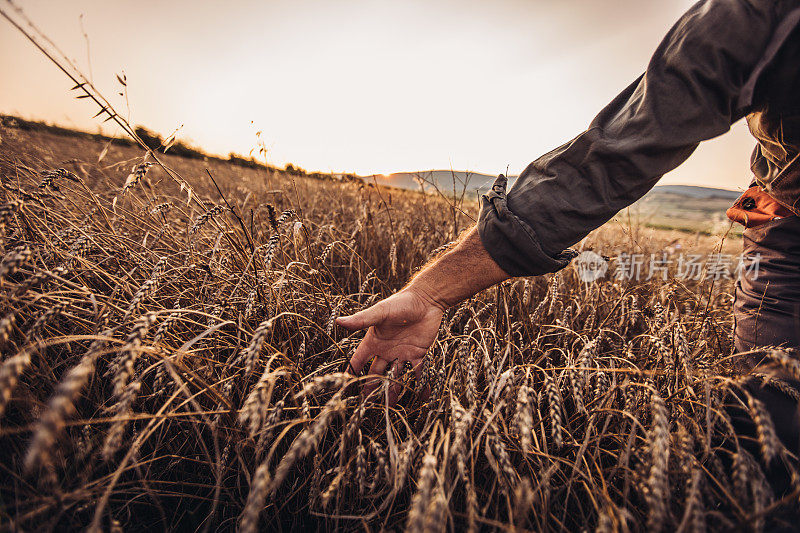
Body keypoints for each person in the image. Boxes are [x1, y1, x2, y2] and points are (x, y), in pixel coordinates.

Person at [337, 0, 800, 437]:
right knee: (772, 418)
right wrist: (431, 291)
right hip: (788, 232)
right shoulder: (756, 17)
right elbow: (616, 155)